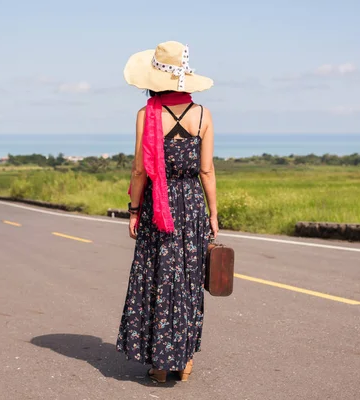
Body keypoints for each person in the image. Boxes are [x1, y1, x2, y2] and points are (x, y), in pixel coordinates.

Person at [116, 41, 218, 383]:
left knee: (157, 279)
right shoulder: (203, 115)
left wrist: (133, 210)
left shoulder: (147, 115)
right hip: (191, 206)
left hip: (158, 207)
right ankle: (184, 361)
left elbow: (139, 170)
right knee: (188, 281)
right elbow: (206, 171)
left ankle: (160, 364)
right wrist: (213, 213)